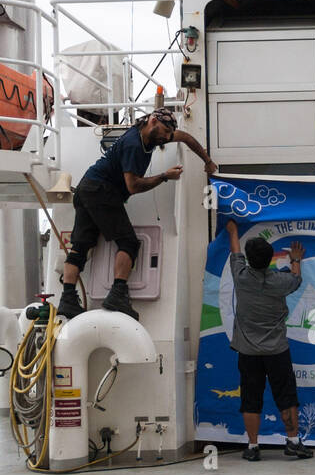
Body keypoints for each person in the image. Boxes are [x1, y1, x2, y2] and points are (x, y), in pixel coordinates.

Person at [58, 107, 217, 321]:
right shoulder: (134, 145)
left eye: (169, 134)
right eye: (164, 132)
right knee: (129, 243)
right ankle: (117, 294)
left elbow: (186, 138)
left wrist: (207, 160)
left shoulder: (154, 136)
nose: (167, 138)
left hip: (88, 188)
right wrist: (164, 176)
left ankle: (67, 299)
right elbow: (132, 186)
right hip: (101, 191)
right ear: (152, 121)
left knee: (81, 245)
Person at [225, 220, 312, 461]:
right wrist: (295, 259)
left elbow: (235, 251)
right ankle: (293, 442)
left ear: (249, 260)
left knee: (250, 399)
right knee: (286, 395)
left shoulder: (241, 276)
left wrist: (233, 230)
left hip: (248, 352)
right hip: (277, 351)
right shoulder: (281, 282)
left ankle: (252, 447)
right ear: (271, 258)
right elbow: (296, 279)